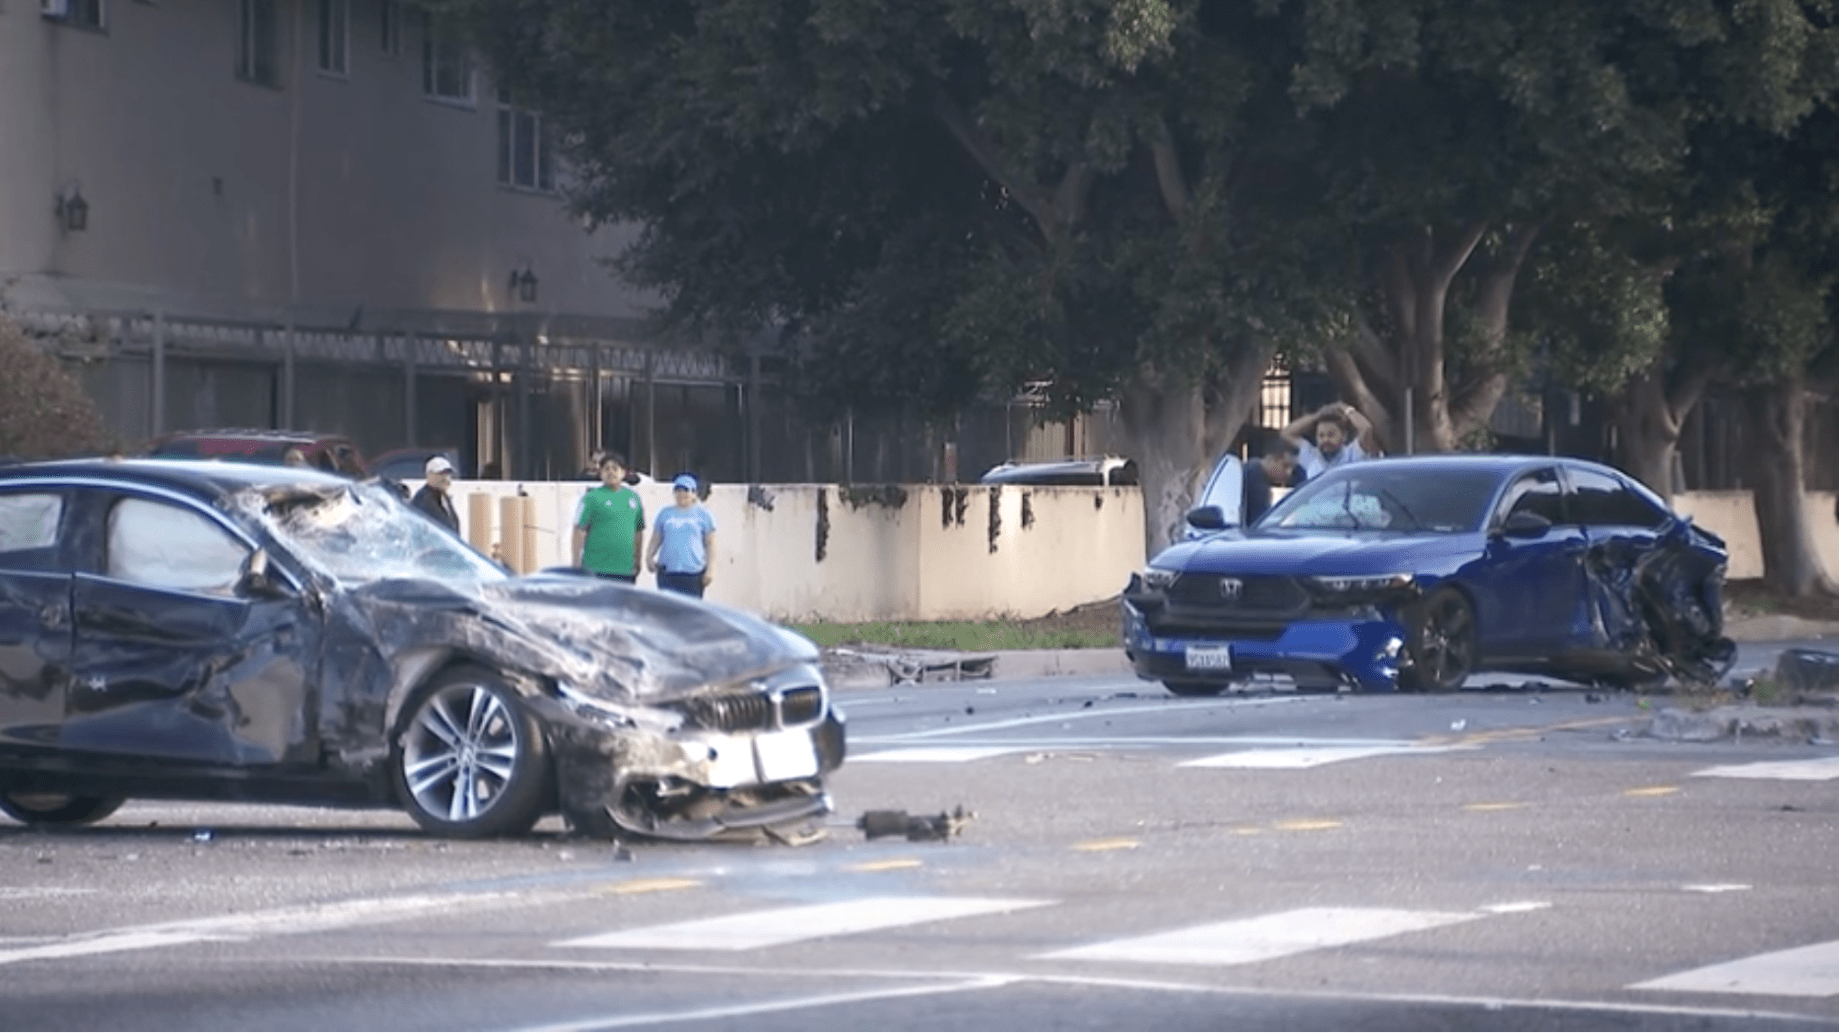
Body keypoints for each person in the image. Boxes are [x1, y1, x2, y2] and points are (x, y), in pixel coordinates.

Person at [573, 452, 645, 582]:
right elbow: (579, 530)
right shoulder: (590, 498)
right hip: (596, 569)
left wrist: (638, 560)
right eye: (606, 469)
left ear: (623, 473)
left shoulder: (634, 498)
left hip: (625, 569)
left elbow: (638, 532)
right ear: (600, 473)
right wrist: (575, 562)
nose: (611, 472)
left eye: (615, 468)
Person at [647, 474, 717, 597]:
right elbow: (656, 539)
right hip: (668, 572)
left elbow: (710, 544)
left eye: (686, 490)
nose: (681, 494)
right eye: (678, 490)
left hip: (693, 573)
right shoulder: (665, 513)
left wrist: (710, 569)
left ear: (694, 494)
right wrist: (649, 557)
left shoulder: (704, 515)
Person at [1280, 401, 1378, 480]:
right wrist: (1317, 416)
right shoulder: (1311, 456)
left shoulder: (1353, 453)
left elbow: (1366, 429)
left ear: (1344, 436)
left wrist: (1346, 409)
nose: (1325, 440)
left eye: (1331, 435)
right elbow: (1286, 434)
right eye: (1321, 436)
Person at [1241, 438, 1299, 526]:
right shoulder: (1255, 478)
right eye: (1285, 466)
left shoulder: (1251, 469)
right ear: (1272, 459)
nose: (1288, 474)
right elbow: (1259, 521)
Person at [409, 455, 461, 534]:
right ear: (430, 475)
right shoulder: (423, 499)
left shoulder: (443, 497)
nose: (446, 478)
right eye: (441, 474)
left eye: (448, 474)